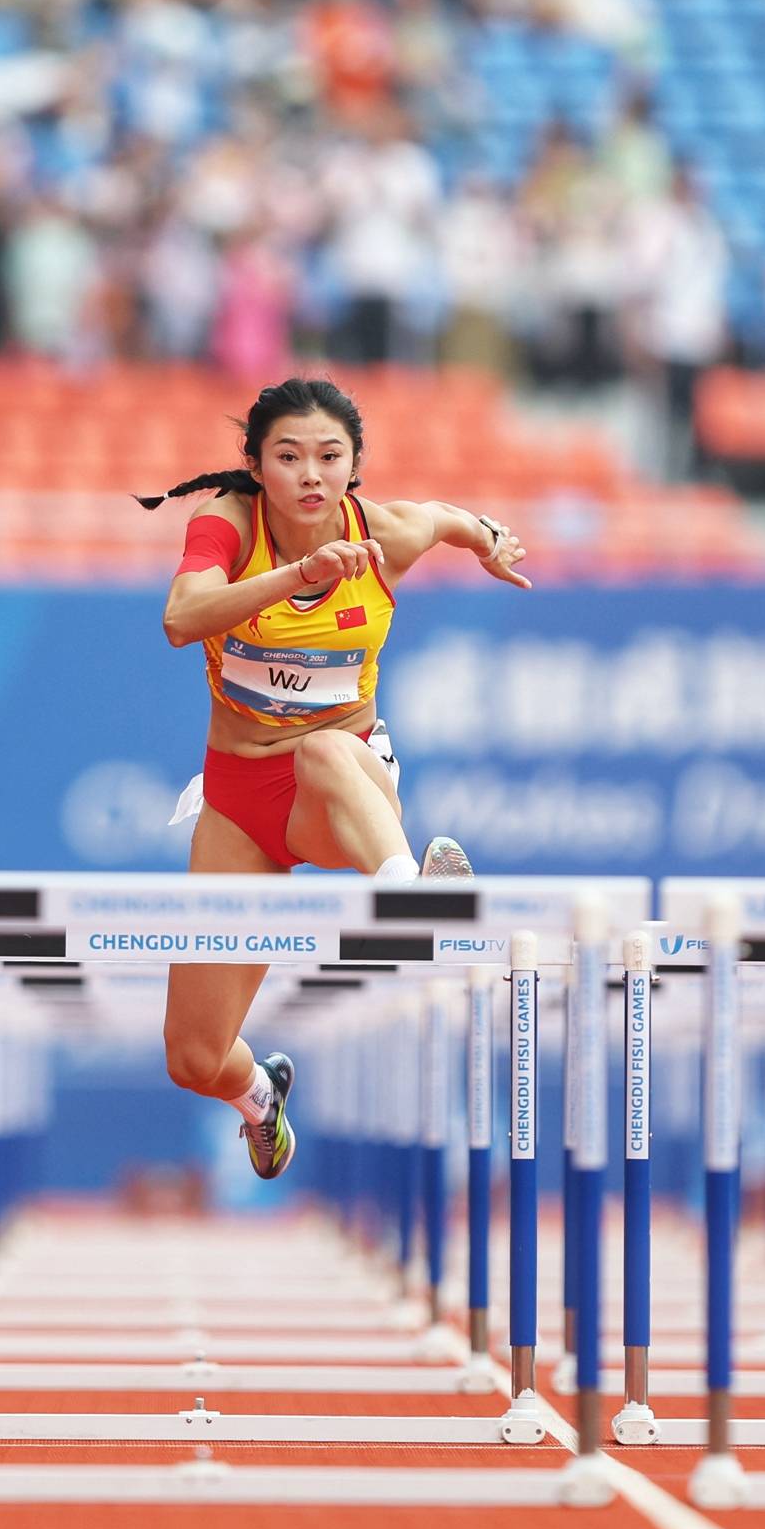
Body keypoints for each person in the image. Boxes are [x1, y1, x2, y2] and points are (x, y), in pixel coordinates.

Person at [138, 379, 532, 1180]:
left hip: (343, 784)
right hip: (241, 806)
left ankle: (411, 896)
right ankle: (263, 1096)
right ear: (254, 464)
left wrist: (488, 538)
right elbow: (182, 619)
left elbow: (446, 518)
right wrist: (299, 576)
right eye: (288, 457)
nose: (310, 475)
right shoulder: (226, 524)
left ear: (354, 468)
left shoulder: (382, 532)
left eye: (330, 457)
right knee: (193, 1056)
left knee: (321, 750)